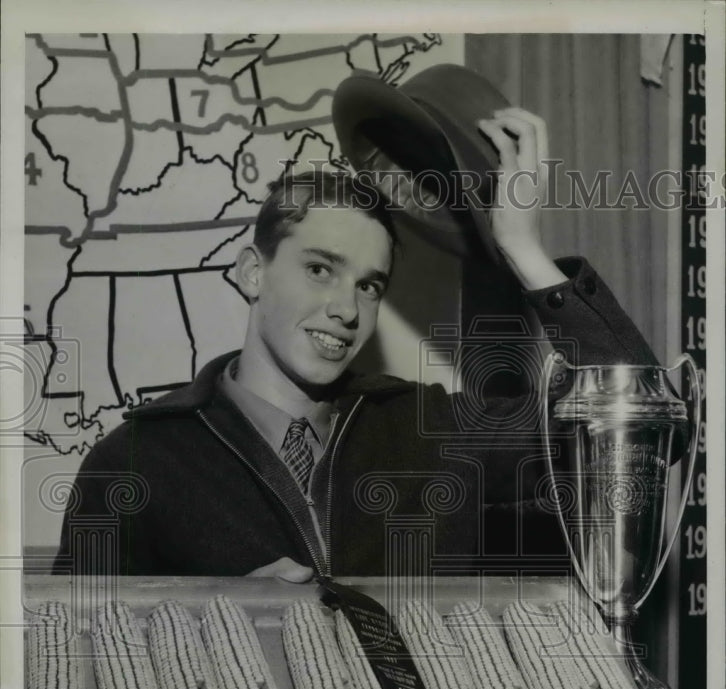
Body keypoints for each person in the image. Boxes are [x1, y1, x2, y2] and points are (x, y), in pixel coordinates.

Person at [52, 109, 662, 580]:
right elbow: (77, 681)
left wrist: (522, 249)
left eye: (369, 286)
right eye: (320, 269)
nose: (347, 309)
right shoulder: (132, 461)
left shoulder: (436, 429)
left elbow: (645, 417)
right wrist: (222, 617)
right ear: (251, 272)